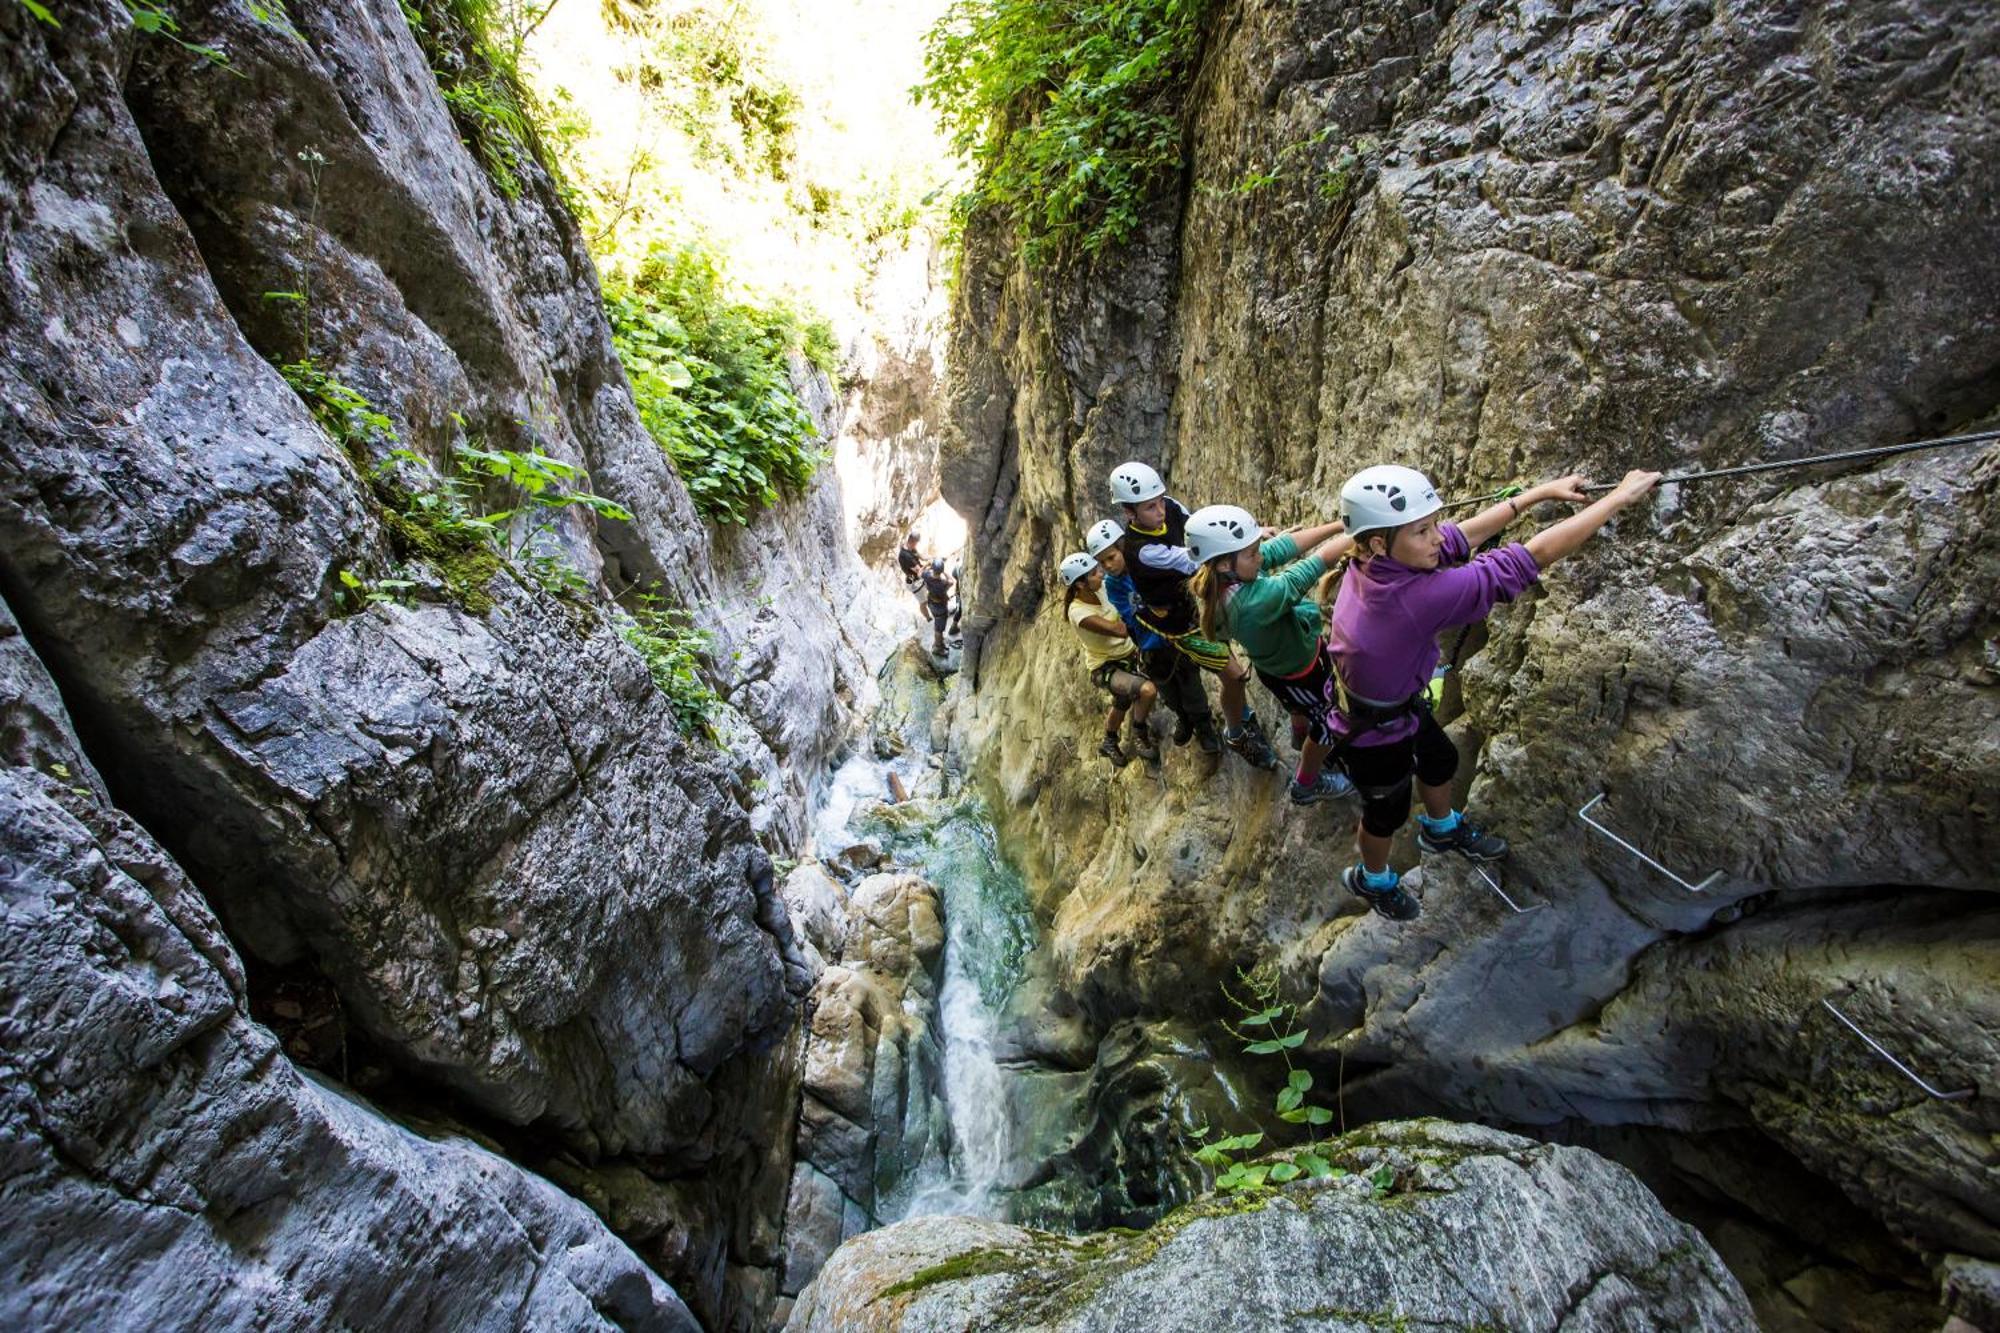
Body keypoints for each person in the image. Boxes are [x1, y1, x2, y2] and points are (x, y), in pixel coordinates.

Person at [1327, 463, 1662, 920]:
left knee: (1441, 760)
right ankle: (1373, 879)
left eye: (1432, 526)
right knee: (1385, 813)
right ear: (1381, 542)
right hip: (1374, 731)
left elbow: (1458, 539)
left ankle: (1442, 828)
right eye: (1423, 531)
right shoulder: (1413, 599)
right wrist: (1618, 498)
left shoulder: (1373, 563)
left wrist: (1538, 493)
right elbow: (1532, 557)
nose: (1437, 539)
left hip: (1392, 705)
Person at [1185, 505, 1358, 806]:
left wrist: (1339, 525)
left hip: (1280, 670)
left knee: (1299, 707)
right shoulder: (1254, 602)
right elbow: (1316, 564)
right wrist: (1362, 530)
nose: (1261, 556)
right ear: (1225, 564)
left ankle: (1299, 733)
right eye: (1253, 554)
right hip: (1301, 672)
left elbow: (1283, 547)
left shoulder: (1227, 580)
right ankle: (1307, 782)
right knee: (1329, 721)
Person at [1108, 461, 1277, 769]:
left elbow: (1198, 530)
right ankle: (1237, 733)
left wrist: (1247, 536)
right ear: (1129, 513)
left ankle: (1236, 719)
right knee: (1234, 676)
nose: (1160, 510)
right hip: (1178, 624)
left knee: (1228, 674)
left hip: (1190, 607)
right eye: (1149, 507)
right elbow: (1191, 560)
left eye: (1160, 501)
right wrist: (1247, 544)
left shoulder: (1169, 507)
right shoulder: (1141, 549)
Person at [1088, 519, 1211, 749]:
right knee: (1170, 694)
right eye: (1102, 562)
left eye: (1111, 557)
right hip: (1151, 647)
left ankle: (1205, 728)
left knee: (1192, 686)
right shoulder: (1114, 586)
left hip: (1177, 636)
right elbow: (1134, 614)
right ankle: (1184, 719)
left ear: (1123, 548)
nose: (1108, 566)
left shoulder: (1146, 565)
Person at [1059, 552, 1160, 766]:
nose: (1102, 574)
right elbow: (1120, 630)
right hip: (1105, 667)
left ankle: (1109, 741)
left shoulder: (1100, 587)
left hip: (1128, 654)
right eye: (1095, 573)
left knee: (1122, 701)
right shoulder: (1078, 613)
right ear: (1079, 585)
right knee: (1147, 690)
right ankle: (1139, 731)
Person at [921, 557, 954, 656]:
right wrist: (944, 572)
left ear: (932, 568)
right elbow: (952, 581)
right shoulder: (942, 583)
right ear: (941, 571)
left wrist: (927, 564)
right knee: (939, 628)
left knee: (938, 623)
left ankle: (940, 642)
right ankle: (937, 648)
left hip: (931, 603)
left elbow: (919, 572)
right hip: (940, 607)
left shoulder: (926, 575)